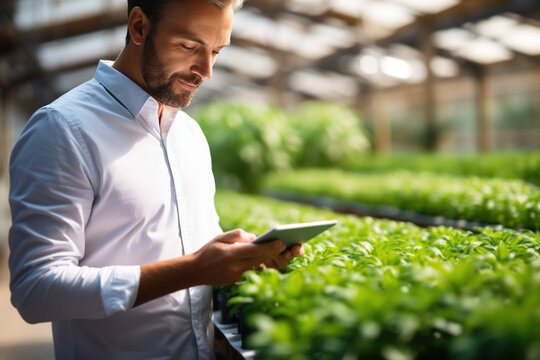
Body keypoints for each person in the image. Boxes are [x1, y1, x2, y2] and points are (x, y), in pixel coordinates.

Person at [8, 0, 303, 359]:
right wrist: (192, 270)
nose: (206, 70)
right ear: (138, 27)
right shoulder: (63, 129)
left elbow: (190, 257)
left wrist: (240, 261)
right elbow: (36, 290)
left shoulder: (190, 135)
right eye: (189, 46)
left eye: (216, 50)